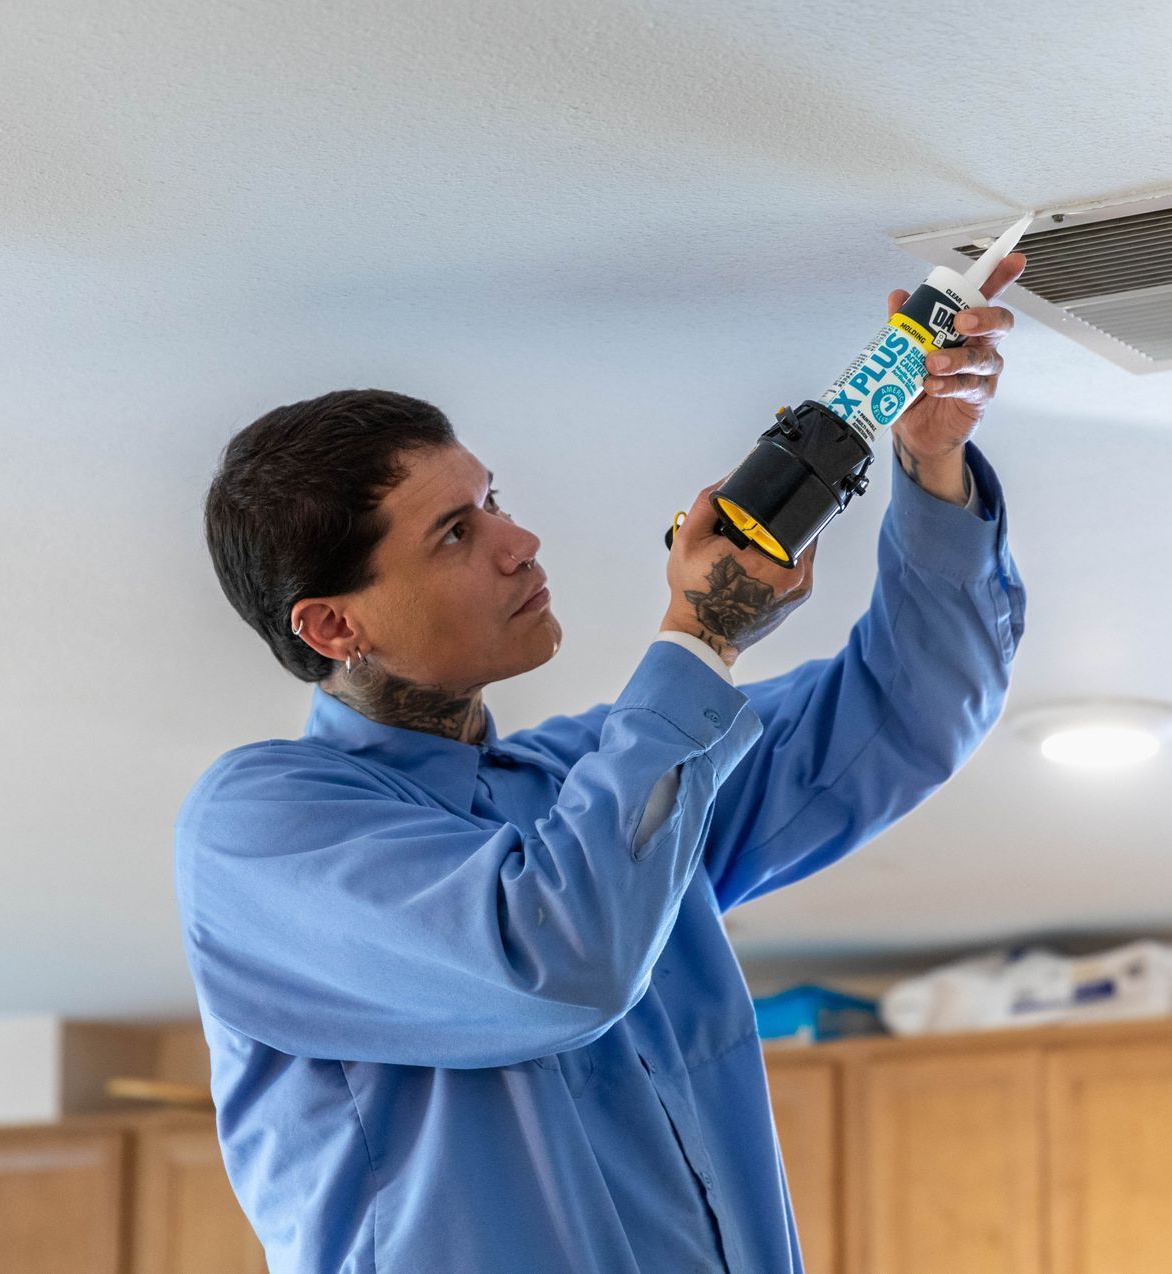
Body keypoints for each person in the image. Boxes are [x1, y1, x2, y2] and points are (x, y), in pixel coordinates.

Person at [175, 256, 1029, 1273]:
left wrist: (931, 463)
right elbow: (560, 957)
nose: (522, 540)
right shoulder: (258, 832)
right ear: (332, 623)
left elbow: (910, 711)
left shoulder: (597, 771)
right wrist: (699, 638)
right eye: (456, 531)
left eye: (492, 500)